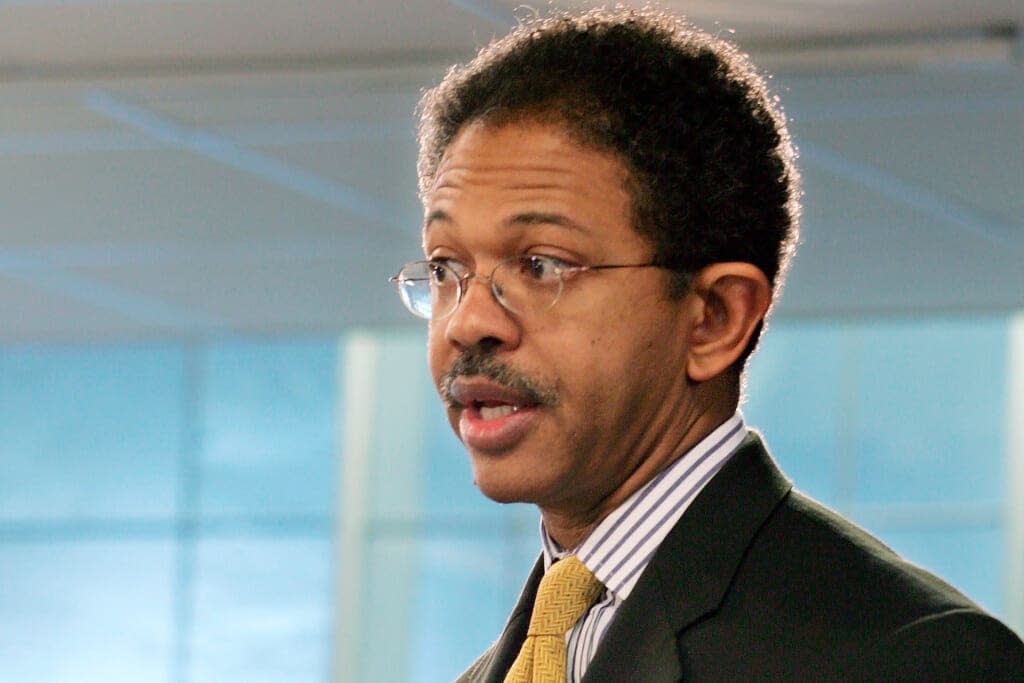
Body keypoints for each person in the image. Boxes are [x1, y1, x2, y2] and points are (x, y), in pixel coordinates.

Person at [389, 6, 1024, 681]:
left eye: (541, 264)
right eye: (444, 267)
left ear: (715, 318)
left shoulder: (914, 657)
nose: (466, 322)